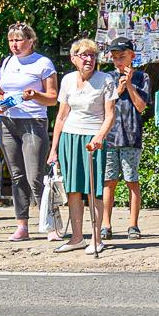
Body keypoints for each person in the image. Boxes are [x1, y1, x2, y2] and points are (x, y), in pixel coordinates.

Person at [0, 23, 58, 244]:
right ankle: (22, 225)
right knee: (17, 175)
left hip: (33, 122)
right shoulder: (8, 62)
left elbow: (52, 97)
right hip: (8, 122)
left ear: (31, 41)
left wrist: (34, 95)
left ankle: (49, 223)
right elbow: (0, 91)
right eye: (11, 40)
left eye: (19, 40)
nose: (14, 45)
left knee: (35, 176)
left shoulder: (43, 63)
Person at [49, 40, 114, 255]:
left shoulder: (105, 79)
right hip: (70, 136)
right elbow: (61, 116)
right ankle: (77, 237)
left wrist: (100, 137)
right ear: (74, 58)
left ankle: (96, 239)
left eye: (92, 55)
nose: (89, 59)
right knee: (73, 189)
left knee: (93, 189)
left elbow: (110, 115)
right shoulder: (67, 80)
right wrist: (54, 149)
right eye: (84, 55)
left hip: (92, 139)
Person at [100, 38, 152, 240]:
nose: (118, 61)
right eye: (114, 58)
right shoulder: (107, 78)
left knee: (132, 180)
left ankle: (133, 224)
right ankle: (106, 223)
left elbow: (141, 106)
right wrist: (118, 89)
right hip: (111, 137)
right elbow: (104, 105)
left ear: (132, 56)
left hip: (131, 136)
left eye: (121, 57)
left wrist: (129, 85)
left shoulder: (142, 77)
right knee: (109, 181)